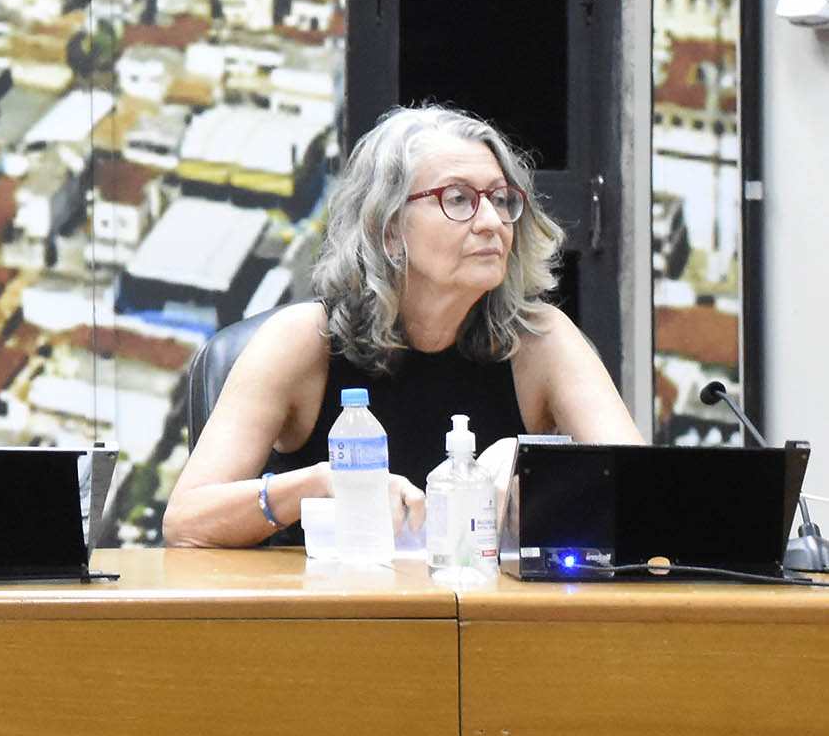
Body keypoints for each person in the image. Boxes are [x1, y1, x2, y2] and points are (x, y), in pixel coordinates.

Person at [163, 103, 639, 548]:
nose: (493, 222)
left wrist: (539, 468)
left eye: (500, 198)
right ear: (389, 228)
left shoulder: (541, 339)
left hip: (487, 622)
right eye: (459, 199)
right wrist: (315, 485)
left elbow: (644, 496)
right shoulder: (303, 339)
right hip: (333, 622)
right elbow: (186, 522)